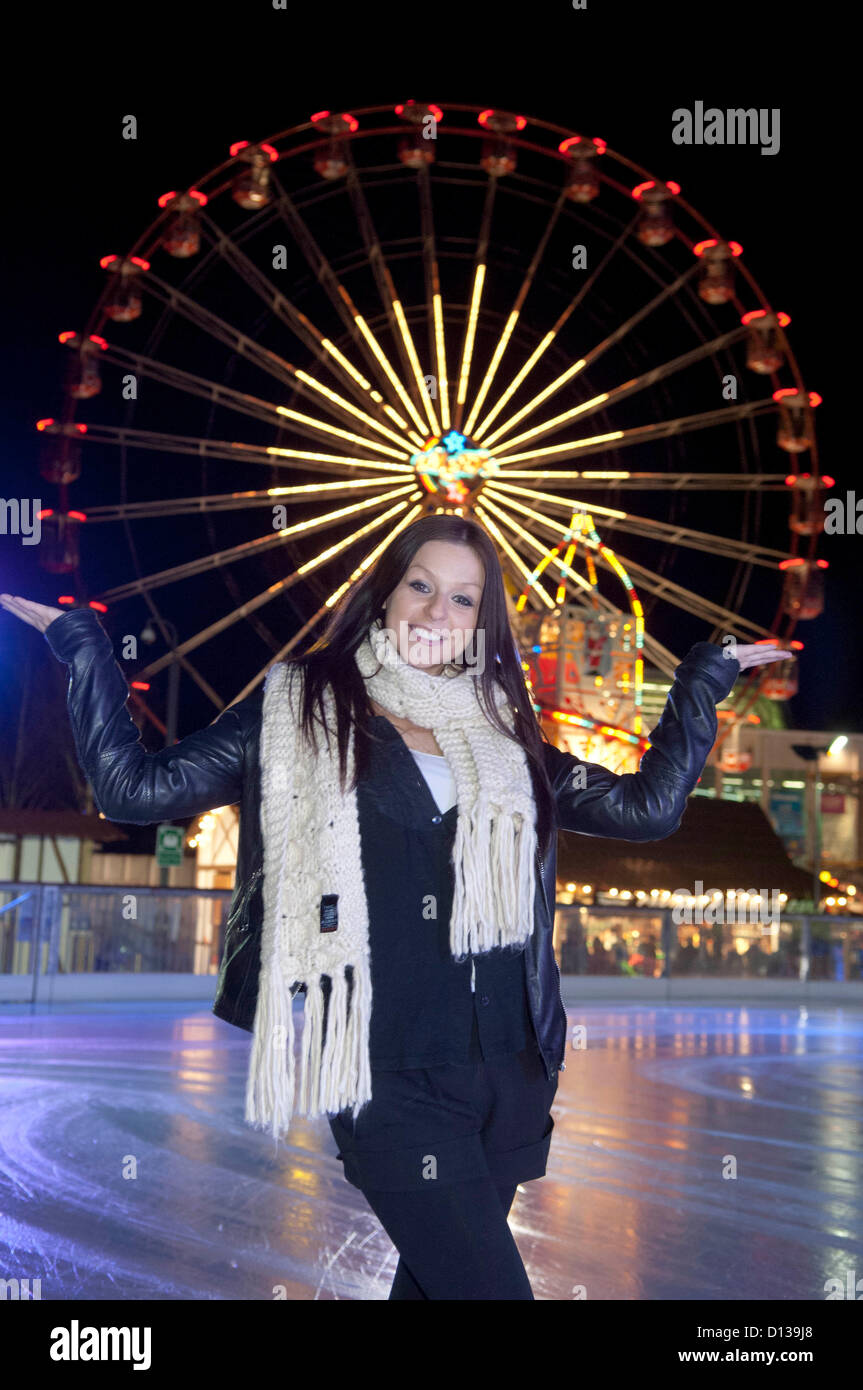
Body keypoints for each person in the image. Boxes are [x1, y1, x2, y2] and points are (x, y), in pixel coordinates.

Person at [0, 513, 793, 1300]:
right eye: (420, 585)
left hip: (510, 1067)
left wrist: (699, 684)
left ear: (481, 622)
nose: (433, 611)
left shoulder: (507, 739)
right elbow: (133, 789)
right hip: (387, 1075)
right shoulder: (298, 712)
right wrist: (83, 648)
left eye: (460, 598)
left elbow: (645, 809)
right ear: (385, 593)